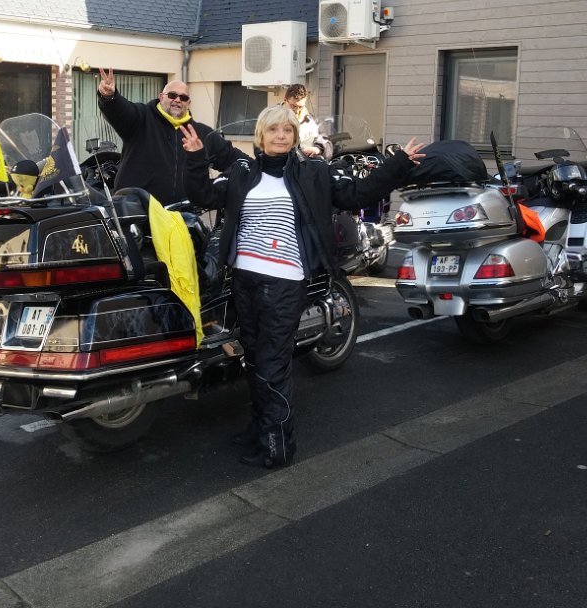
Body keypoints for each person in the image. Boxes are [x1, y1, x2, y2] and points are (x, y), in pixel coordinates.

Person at [180, 104, 425, 469]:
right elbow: (203, 196)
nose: (280, 136)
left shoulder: (314, 172)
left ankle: (277, 444)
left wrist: (398, 164)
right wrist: (196, 158)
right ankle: (261, 427)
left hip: (284, 281)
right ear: (261, 135)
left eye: (287, 130)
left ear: (295, 136)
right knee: (253, 359)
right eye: (273, 129)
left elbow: (358, 194)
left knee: (273, 363)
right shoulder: (242, 172)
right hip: (244, 280)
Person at [96, 68, 248, 204]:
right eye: (172, 95)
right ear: (161, 97)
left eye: (183, 98)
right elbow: (120, 111)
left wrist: (220, 187)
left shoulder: (201, 134)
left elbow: (236, 160)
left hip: (182, 215)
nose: (177, 100)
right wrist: (109, 97)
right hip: (138, 211)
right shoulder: (142, 117)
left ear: (188, 103)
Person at [283, 83, 329, 158]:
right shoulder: (271, 119)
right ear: (285, 100)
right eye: (293, 106)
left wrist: (318, 149)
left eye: (300, 107)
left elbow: (326, 143)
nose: (297, 111)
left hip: (304, 163)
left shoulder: (313, 121)